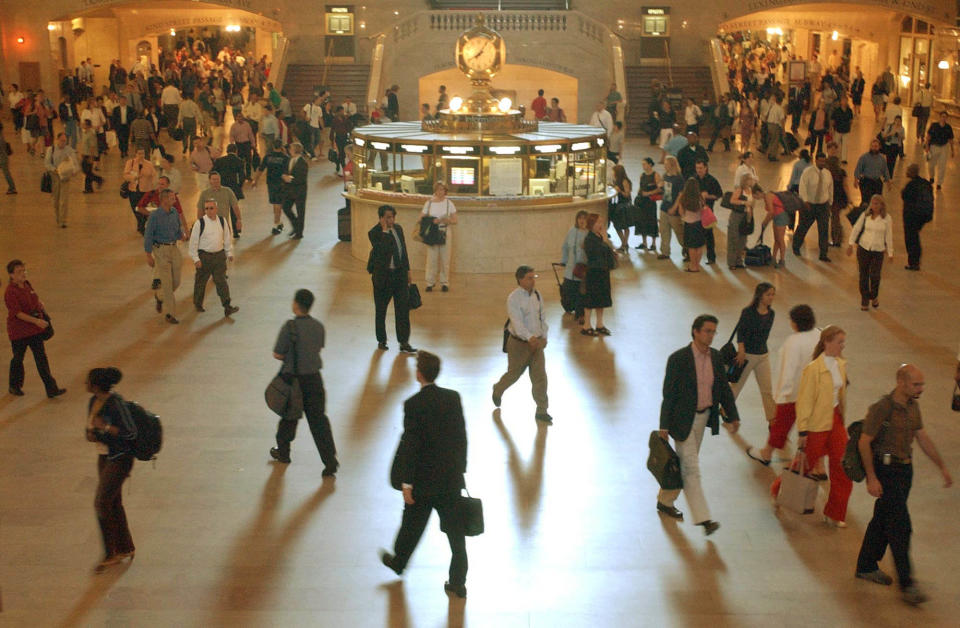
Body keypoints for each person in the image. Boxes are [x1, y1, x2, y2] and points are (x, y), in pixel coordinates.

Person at [855, 364, 953, 605]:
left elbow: (922, 437)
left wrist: (941, 466)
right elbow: (864, 442)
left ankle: (866, 565)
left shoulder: (913, 406)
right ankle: (907, 584)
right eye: (916, 384)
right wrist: (872, 477)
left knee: (883, 518)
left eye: (922, 384)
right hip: (886, 472)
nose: (921, 389)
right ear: (901, 382)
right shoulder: (882, 408)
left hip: (904, 471)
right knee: (900, 526)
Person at [380, 350, 468, 599]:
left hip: (423, 482)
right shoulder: (453, 399)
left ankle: (399, 561)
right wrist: (460, 470)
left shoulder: (413, 405)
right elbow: (462, 439)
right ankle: (458, 582)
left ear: (419, 374)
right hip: (450, 481)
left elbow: (411, 446)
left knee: (411, 525)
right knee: (456, 536)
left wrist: (407, 483)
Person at [657, 314, 741, 535]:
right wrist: (664, 426)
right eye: (707, 331)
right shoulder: (678, 359)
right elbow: (669, 395)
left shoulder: (715, 358)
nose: (711, 335)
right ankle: (704, 519)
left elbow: (723, 390)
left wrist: (733, 415)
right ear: (695, 331)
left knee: (685, 465)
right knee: (692, 469)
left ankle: (665, 500)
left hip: (703, 418)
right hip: (682, 421)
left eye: (714, 331)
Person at [772, 325, 852, 526]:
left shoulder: (841, 365)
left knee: (843, 465)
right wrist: (803, 430)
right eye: (839, 342)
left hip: (835, 421)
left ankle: (835, 513)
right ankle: (780, 490)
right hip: (816, 424)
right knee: (805, 464)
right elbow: (805, 402)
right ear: (827, 343)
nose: (843, 345)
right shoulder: (813, 370)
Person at [268, 289, 339, 475]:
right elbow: (318, 347)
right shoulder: (318, 326)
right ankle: (330, 461)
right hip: (315, 380)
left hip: (294, 382)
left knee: (289, 418)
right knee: (319, 421)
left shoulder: (289, 327)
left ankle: (283, 452)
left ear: (296, 304)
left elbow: (277, 354)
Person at [745, 304, 820, 466]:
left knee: (781, 425)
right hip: (815, 392)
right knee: (814, 428)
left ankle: (766, 453)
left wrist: (781, 395)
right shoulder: (819, 335)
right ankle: (818, 466)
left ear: (795, 322)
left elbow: (788, 370)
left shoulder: (793, 342)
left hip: (794, 394)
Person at [84, 367, 136, 573]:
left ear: (96, 385)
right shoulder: (92, 401)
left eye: (88, 382)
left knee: (101, 502)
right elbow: (91, 428)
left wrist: (105, 429)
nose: (85, 384)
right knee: (113, 502)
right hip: (103, 456)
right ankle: (125, 547)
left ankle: (110, 552)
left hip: (120, 458)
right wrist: (92, 434)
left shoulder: (116, 404)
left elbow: (129, 433)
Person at [492, 265, 551, 424]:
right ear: (520, 279)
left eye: (534, 277)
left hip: (536, 343)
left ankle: (542, 410)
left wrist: (543, 336)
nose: (533, 281)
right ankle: (498, 389)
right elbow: (517, 323)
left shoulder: (537, 295)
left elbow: (542, 318)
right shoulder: (513, 298)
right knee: (514, 374)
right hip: (519, 344)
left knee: (540, 377)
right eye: (529, 278)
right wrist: (530, 338)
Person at [5, 259, 66, 398]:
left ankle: (51, 389)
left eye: (23, 270)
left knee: (41, 359)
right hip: (19, 332)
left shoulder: (26, 284)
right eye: (19, 272)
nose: (23, 274)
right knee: (18, 359)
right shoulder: (10, 292)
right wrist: (37, 321)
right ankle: (14, 386)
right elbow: (18, 314)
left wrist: (40, 305)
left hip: (33, 330)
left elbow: (34, 298)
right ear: (11, 275)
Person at [367, 205, 416, 353]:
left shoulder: (398, 229)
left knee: (402, 310)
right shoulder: (374, 233)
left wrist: (407, 270)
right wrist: (384, 231)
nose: (391, 220)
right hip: (384, 277)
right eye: (388, 217)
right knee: (381, 309)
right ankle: (381, 340)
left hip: (399, 275)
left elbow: (403, 250)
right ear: (381, 218)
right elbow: (382, 250)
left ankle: (404, 342)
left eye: (392, 217)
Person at [730, 283, 777, 422]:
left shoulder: (771, 314)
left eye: (773, 294)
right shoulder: (748, 312)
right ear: (760, 295)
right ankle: (726, 409)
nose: (771, 297)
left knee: (767, 390)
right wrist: (741, 350)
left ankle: (772, 419)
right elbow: (741, 332)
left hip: (763, 355)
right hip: (747, 356)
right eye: (768, 294)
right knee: (736, 387)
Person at [189, 199, 239, 317]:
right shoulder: (199, 223)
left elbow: (227, 238)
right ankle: (198, 303)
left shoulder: (222, 221)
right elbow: (193, 243)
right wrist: (196, 259)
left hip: (219, 257)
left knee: (221, 282)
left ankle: (227, 306)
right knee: (201, 282)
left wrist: (229, 253)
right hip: (204, 257)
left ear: (216, 209)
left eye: (211, 208)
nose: (209, 211)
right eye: (206, 208)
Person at [143, 189, 184, 324]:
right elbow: (148, 236)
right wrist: (149, 255)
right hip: (160, 251)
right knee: (166, 282)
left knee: (175, 281)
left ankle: (159, 296)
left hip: (174, 248)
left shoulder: (174, 213)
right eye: (172, 197)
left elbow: (178, 230)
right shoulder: (154, 216)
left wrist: (182, 235)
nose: (174, 199)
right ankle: (170, 314)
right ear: (164, 200)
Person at [848, 194, 894, 310]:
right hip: (864, 248)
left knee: (875, 275)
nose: (874, 206)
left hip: (878, 250)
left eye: (876, 203)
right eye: (872, 203)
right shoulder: (865, 215)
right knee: (863, 274)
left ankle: (874, 295)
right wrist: (851, 244)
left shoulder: (887, 219)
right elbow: (856, 229)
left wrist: (890, 252)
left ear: (882, 205)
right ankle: (864, 299)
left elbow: (889, 235)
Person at [581, 213, 615, 337]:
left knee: (601, 299)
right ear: (591, 225)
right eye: (597, 223)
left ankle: (599, 324)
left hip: (603, 271)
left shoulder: (599, 236)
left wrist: (605, 241)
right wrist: (605, 242)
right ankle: (586, 325)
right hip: (594, 272)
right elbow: (597, 253)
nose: (600, 225)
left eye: (601, 222)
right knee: (591, 300)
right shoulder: (589, 239)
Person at [795, 152, 834, 262]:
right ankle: (796, 247)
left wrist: (830, 202)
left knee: (824, 230)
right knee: (803, 226)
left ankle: (823, 253)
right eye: (820, 161)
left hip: (823, 205)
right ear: (816, 161)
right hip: (810, 205)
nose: (822, 163)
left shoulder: (827, 174)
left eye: (823, 161)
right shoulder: (808, 172)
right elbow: (802, 186)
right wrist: (805, 201)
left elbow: (830, 188)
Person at [421, 182, 458, 292]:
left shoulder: (449, 203)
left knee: (445, 258)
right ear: (435, 190)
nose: (440, 192)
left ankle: (444, 282)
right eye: (438, 189)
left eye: (442, 190)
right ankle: (430, 282)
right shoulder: (429, 203)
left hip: (445, 231)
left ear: (445, 191)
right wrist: (432, 220)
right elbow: (421, 217)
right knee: (431, 258)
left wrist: (447, 220)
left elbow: (455, 220)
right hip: (432, 231)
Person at [900, 163, 933, 271]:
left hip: (912, 216)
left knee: (911, 239)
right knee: (915, 237)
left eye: (908, 170)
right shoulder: (925, 183)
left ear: (911, 172)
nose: (906, 172)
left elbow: (905, 196)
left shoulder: (911, 185)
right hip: (923, 215)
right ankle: (916, 261)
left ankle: (913, 262)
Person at [252, 141, 290, 235]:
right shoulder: (285, 158)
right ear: (281, 146)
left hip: (270, 183)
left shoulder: (268, 157)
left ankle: (277, 223)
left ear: (272, 146)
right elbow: (288, 172)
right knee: (277, 204)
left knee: (275, 203)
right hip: (281, 183)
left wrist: (255, 181)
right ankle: (277, 223)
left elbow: (260, 169)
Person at [671, 178, 705, 272]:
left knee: (691, 246)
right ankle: (697, 265)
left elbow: (681, 212)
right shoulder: (700, 197)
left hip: (689, 225)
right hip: (699, 224)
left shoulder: (684, 198)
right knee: (699, 245)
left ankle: (692, 266)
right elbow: (703, 210)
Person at [560, 211, 588, 324]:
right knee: (568, 289)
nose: (581, 221)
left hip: (583, 268)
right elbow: (565, 246)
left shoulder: (588, 233)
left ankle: (580, 314)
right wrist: (564, 260)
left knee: (580, 291)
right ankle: (569, 306)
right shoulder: (572, 231)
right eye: (580, 218)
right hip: (571, 268)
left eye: (584, 218)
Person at [196, 171, 242, 237]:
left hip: (224, 225)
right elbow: (200, 211)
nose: (216, 181)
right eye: (214, 179)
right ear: (210, 181)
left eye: (217, 179)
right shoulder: (205, 194)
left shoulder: (227, 191)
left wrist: (239, 220)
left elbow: (235, 207)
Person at [656, 156, 685, 260]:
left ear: (672, 165)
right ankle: (665, 251)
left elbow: (680, 195)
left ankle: (686, 249)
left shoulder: (679, 178)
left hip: (674, 209)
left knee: (679, 232)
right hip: (664, 206)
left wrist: (674, 207)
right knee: (664, 231)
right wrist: (660, 185)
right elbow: (664, 190)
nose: (665, 166)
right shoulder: (665, 176)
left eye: (666, 164)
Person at [693, 160, 721, 265]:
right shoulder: (693, 179)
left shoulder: (712, 180)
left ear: (706, 168)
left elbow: (718, 194)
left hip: (707, 213)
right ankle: (691, 256)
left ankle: (711, 258)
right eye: (697, 168)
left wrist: (708, 196)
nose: (699, 170)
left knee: (709, 235)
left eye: (701, 168)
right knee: (694, 233)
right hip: (695, 212)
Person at [124, 149, 157, 234]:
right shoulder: (130, 163)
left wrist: (154, 187)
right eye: (139, 153)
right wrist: (134, 177)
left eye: (143, 153)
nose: (141, 155)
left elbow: (154, 175)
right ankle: (140, 223)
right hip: (133, 190)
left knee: (143, 208)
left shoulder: (149, 164)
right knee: (135, 208)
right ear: (135, 154)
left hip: (145, 190)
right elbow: (125, 175)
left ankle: (142, 225)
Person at [725, 176, 754, 270]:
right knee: (734, 239)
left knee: (742, 240)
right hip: (737, 216)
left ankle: (739, 261)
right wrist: (744, 202)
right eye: (750, 180)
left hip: (746, 216)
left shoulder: (750, 190)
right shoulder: (739, 190)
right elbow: (732, 200)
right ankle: (731, 262)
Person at [634, 157, 661, 251]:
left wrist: (649, 193)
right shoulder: (642, 175)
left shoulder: (655, 175)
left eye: (645, 164)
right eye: (642, 164)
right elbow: (641, 187)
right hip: (642, 201)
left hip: (650, 201)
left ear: (650, 164)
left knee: (652, 220)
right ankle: (644, 242)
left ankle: (653, 243)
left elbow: (659, 188)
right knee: (642, 220)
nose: (643, 166)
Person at [854, 139, 890, 205]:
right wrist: (856, 180)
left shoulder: (882, 159)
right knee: (866, 201)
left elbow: (885, 170)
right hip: (866, 182)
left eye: (876, 146)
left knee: (877, 201)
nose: (874, 148)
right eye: (872, 146)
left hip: (877, 182)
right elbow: (858, 169)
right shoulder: (864, 157)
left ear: (879, 147)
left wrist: (888, 181)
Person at [923, 111, 954, 189]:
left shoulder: (948, 127)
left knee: (942, 166)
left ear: (947, 118)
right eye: (942, 116)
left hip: (944, 147)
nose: (944, 118)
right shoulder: (934, 126)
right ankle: (931, 177)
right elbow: (928, 136)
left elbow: (950, 139)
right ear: (940, 117)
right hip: (934, 146)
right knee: (931, 165)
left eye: (945, 117)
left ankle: (939, 183)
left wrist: (952, 150)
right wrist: (927, 146)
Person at [609, 164, 632, 252]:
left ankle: (624, 244)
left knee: (625, 225)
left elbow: (627, 194)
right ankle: (624, 243)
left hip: (624, 205)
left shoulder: (624, 181)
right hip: (618, 204)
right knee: (617, 225)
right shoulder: (616, 181)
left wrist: (620, 191)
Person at [765, 94, 786, 161]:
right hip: (775, 125)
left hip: (769, 124)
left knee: (772, 140)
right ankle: (772, 156)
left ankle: (769, 153)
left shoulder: (773, 107)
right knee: (775, 141)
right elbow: (782, 120)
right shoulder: (780, 108)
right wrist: (783, 130)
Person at [0, 124, 16, 194]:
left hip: (2, 158)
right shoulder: (1, 137)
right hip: (4, 157)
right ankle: (12, 187)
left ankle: (12, 188)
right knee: (7, 173)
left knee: (6, 173)